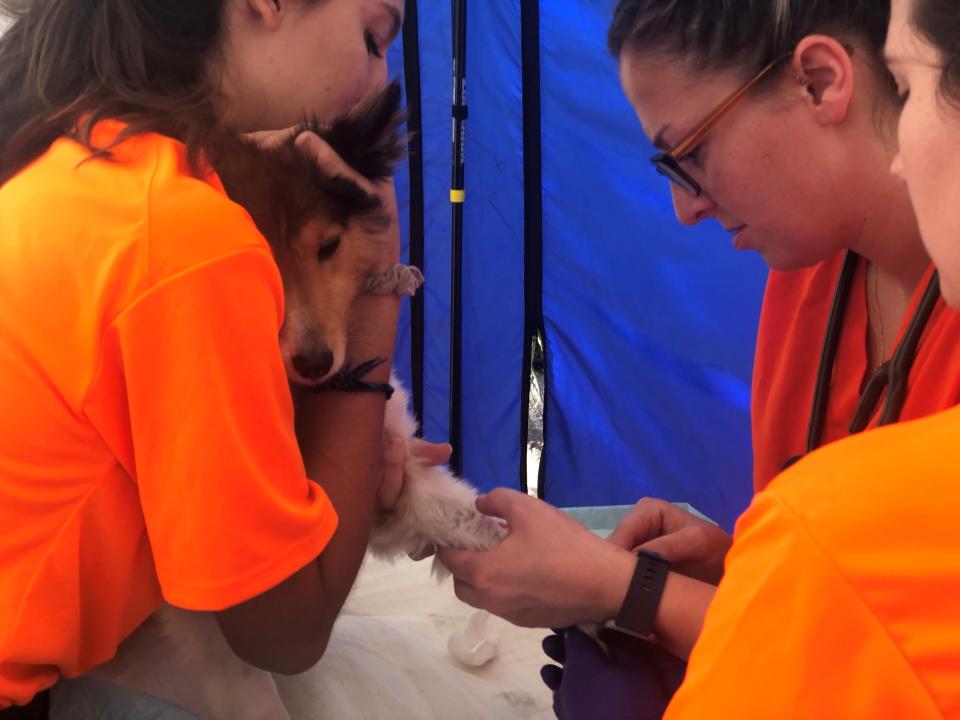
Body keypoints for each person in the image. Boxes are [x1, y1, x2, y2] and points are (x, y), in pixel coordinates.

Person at [452, 0, 960, 715]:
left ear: (819, 81)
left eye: (688, 155)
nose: (684, 209)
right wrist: (745, 566)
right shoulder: (804, 283)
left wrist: (627, 591)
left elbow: (888, 660)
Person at [0, 0, 449, 713]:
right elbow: (285, 631)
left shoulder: (82, 158)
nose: (376, 83)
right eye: (373, 37)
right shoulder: (186, 236)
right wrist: (375, 284)